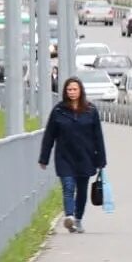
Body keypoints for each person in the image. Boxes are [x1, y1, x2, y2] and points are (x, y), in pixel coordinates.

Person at [38, 76, 108, 234]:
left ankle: (78, 219)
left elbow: (98, 136)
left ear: (81, 91)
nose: (72, 92)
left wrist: (101, 160)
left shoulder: (90, 110)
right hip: (64, 156)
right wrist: (44, 158)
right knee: (68, 187)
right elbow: (49, 135)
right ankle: (69, 216)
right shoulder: (58, 111)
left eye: (75, 89)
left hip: (85, 156)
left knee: (82, 191)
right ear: (65, 92)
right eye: (69, 89)